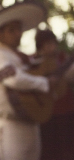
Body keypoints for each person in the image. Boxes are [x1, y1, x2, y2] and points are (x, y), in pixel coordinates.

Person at [0, 2, 53, 160]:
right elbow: (13, 79)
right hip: (10, 124)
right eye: (11, 30)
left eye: (19, 29)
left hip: (31, 119)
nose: (18, 33)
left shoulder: (20, 56)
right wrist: (43, 83)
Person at [34, 29, 74, 160]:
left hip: (66, 112)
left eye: (52, 43)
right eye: (46, 45)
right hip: (45, 114)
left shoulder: (63, 59)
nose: (51, 47)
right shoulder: (34, 62)